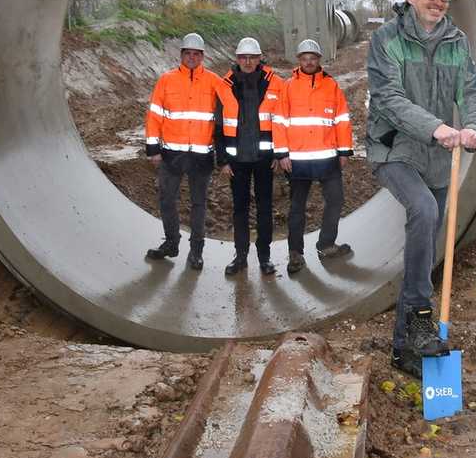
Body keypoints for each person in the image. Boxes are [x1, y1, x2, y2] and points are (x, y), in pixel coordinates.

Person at [366, 0, 476, 380]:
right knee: (425, 211)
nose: (439, 2)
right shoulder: (386, 40)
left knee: (426, 242)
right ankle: (420, 318)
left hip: (438, 156)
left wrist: (473, 126)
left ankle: (403, 348)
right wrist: (436, 127)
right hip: (394, 150)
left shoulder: (457, 42)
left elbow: (472, 92)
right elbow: (390, 100)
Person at [143, 32, 231, 271]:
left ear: (202, 56)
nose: (192, 57)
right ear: (181, 55)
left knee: (198, 204)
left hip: (201, 156)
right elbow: (154, 116)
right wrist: (153, 148)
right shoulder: (166, 80)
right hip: (172, 155)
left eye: (196, 54)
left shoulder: (214, 82)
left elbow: (230, 111)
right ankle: (171, 243)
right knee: (167, 199)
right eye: (187, 53)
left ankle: (196, 252)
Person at [272, 39, 354, 274]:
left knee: (336, 199)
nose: (309, 62)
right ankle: (295, 253)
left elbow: (342, 120)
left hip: (327, 157)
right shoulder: (288, 87)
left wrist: (344, 151)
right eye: (304, 58)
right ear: (299, 61)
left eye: (313, 58)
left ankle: (326, 244)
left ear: (319, 59)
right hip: (297, 160)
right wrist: (281, 153)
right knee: (297, 207)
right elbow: (278, 122)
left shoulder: (331, 86)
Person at [214, 37, 283, 277]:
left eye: (252, 57)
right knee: (240, 209)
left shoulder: (274, 83)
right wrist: (222, 159)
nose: (247, 61)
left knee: (265, 208)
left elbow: (282, 121)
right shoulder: (225, 84)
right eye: (243, 57)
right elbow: (219, 125)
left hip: (265, 159)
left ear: (259, 58)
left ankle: (264, 257)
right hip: (237, 161)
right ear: (237, 59)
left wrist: (279, 152)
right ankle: (240, 256)